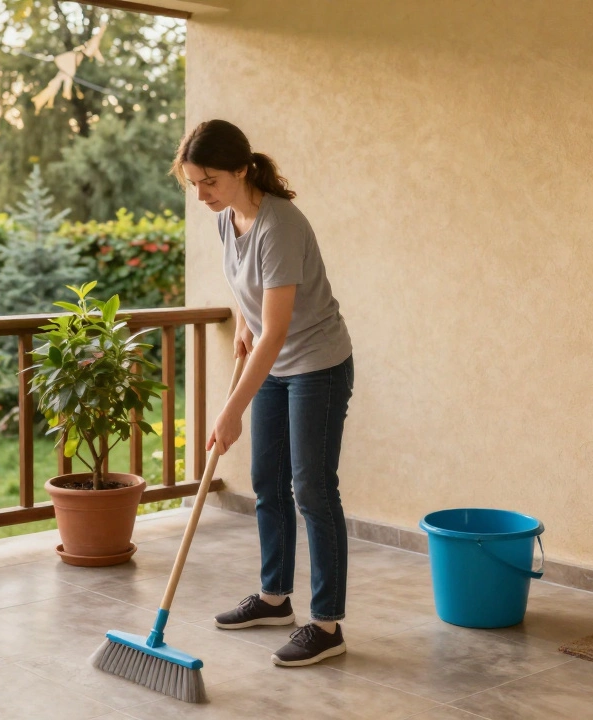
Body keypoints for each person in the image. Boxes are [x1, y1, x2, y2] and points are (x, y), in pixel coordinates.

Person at [172, 119, 355, 667]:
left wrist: (230, 411)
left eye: (209, 182)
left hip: (317, 366)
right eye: (193, 184)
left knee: (313, 489)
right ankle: (275, 599)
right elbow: (253, 295)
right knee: (267, 482)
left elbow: (280, 332)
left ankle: (327, 625)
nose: (201, 195)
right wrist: (246, 320)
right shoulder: (228, 219)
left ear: (241, 170)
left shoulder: (282, 226)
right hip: (274, 360)